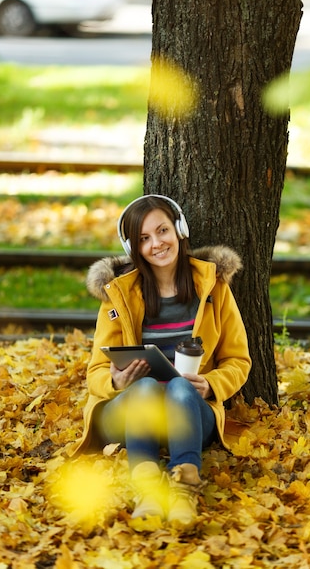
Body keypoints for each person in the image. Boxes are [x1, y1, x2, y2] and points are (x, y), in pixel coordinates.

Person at [74, 194, 252, 526]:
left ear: (179, 230)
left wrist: (211, 384)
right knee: (144, 390)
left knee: (181, 389)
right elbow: (96, 369)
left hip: (190, 413)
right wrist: (115, 381)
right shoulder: (119, 294)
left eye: (162, 231)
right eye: (144, 238)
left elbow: (238, 359)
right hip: (131, 412)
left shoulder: (213, 287)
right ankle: (148, 492)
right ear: (133, 249)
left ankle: (184, 490)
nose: (156, 243)